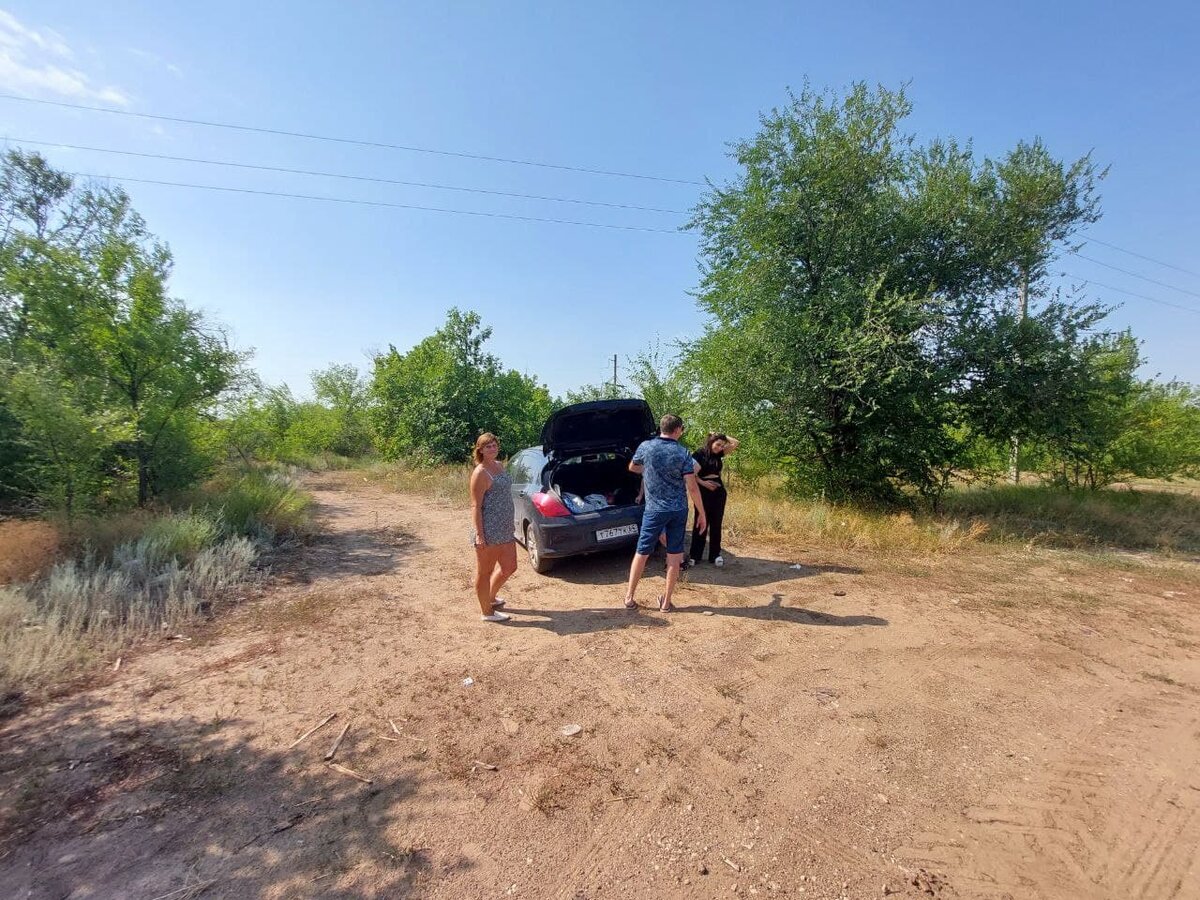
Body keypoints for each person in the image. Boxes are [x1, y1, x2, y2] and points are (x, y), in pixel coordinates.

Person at [622, 414, 706, 612]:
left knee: (642, 552)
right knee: (674, 555)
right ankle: (666, 603)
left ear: (662, 428)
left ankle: (629, 598)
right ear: (677, 430)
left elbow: (633, 467)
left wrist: (649, 469)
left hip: (654, 510)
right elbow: (692, 487)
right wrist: (702, 513)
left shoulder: (646, 446)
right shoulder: (683, 453)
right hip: (678, 510)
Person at [469, 432, 517, 623]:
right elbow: (475, 506)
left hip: (505, 527)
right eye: (488, 446)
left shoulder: (498, 465)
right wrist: (480, 535)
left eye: (494, 444)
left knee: (509, 567)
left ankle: (490, 597)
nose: (493, 448)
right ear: (480, 449)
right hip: (489, 529)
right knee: (484, 572)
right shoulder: (480, 472)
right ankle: (487, 612)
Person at [689, 433, 739, 567]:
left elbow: (735, 443)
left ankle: (715, 555)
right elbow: (691, 474)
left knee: (716, 523)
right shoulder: (699, 454)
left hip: (718, 492)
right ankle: (695, 555)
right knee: (700, 522)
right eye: (717, 444)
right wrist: (704, 483)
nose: (720, 447)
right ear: (710, 442)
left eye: (722, 445)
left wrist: (722, 435)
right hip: (703, 491)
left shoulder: (719, 454)